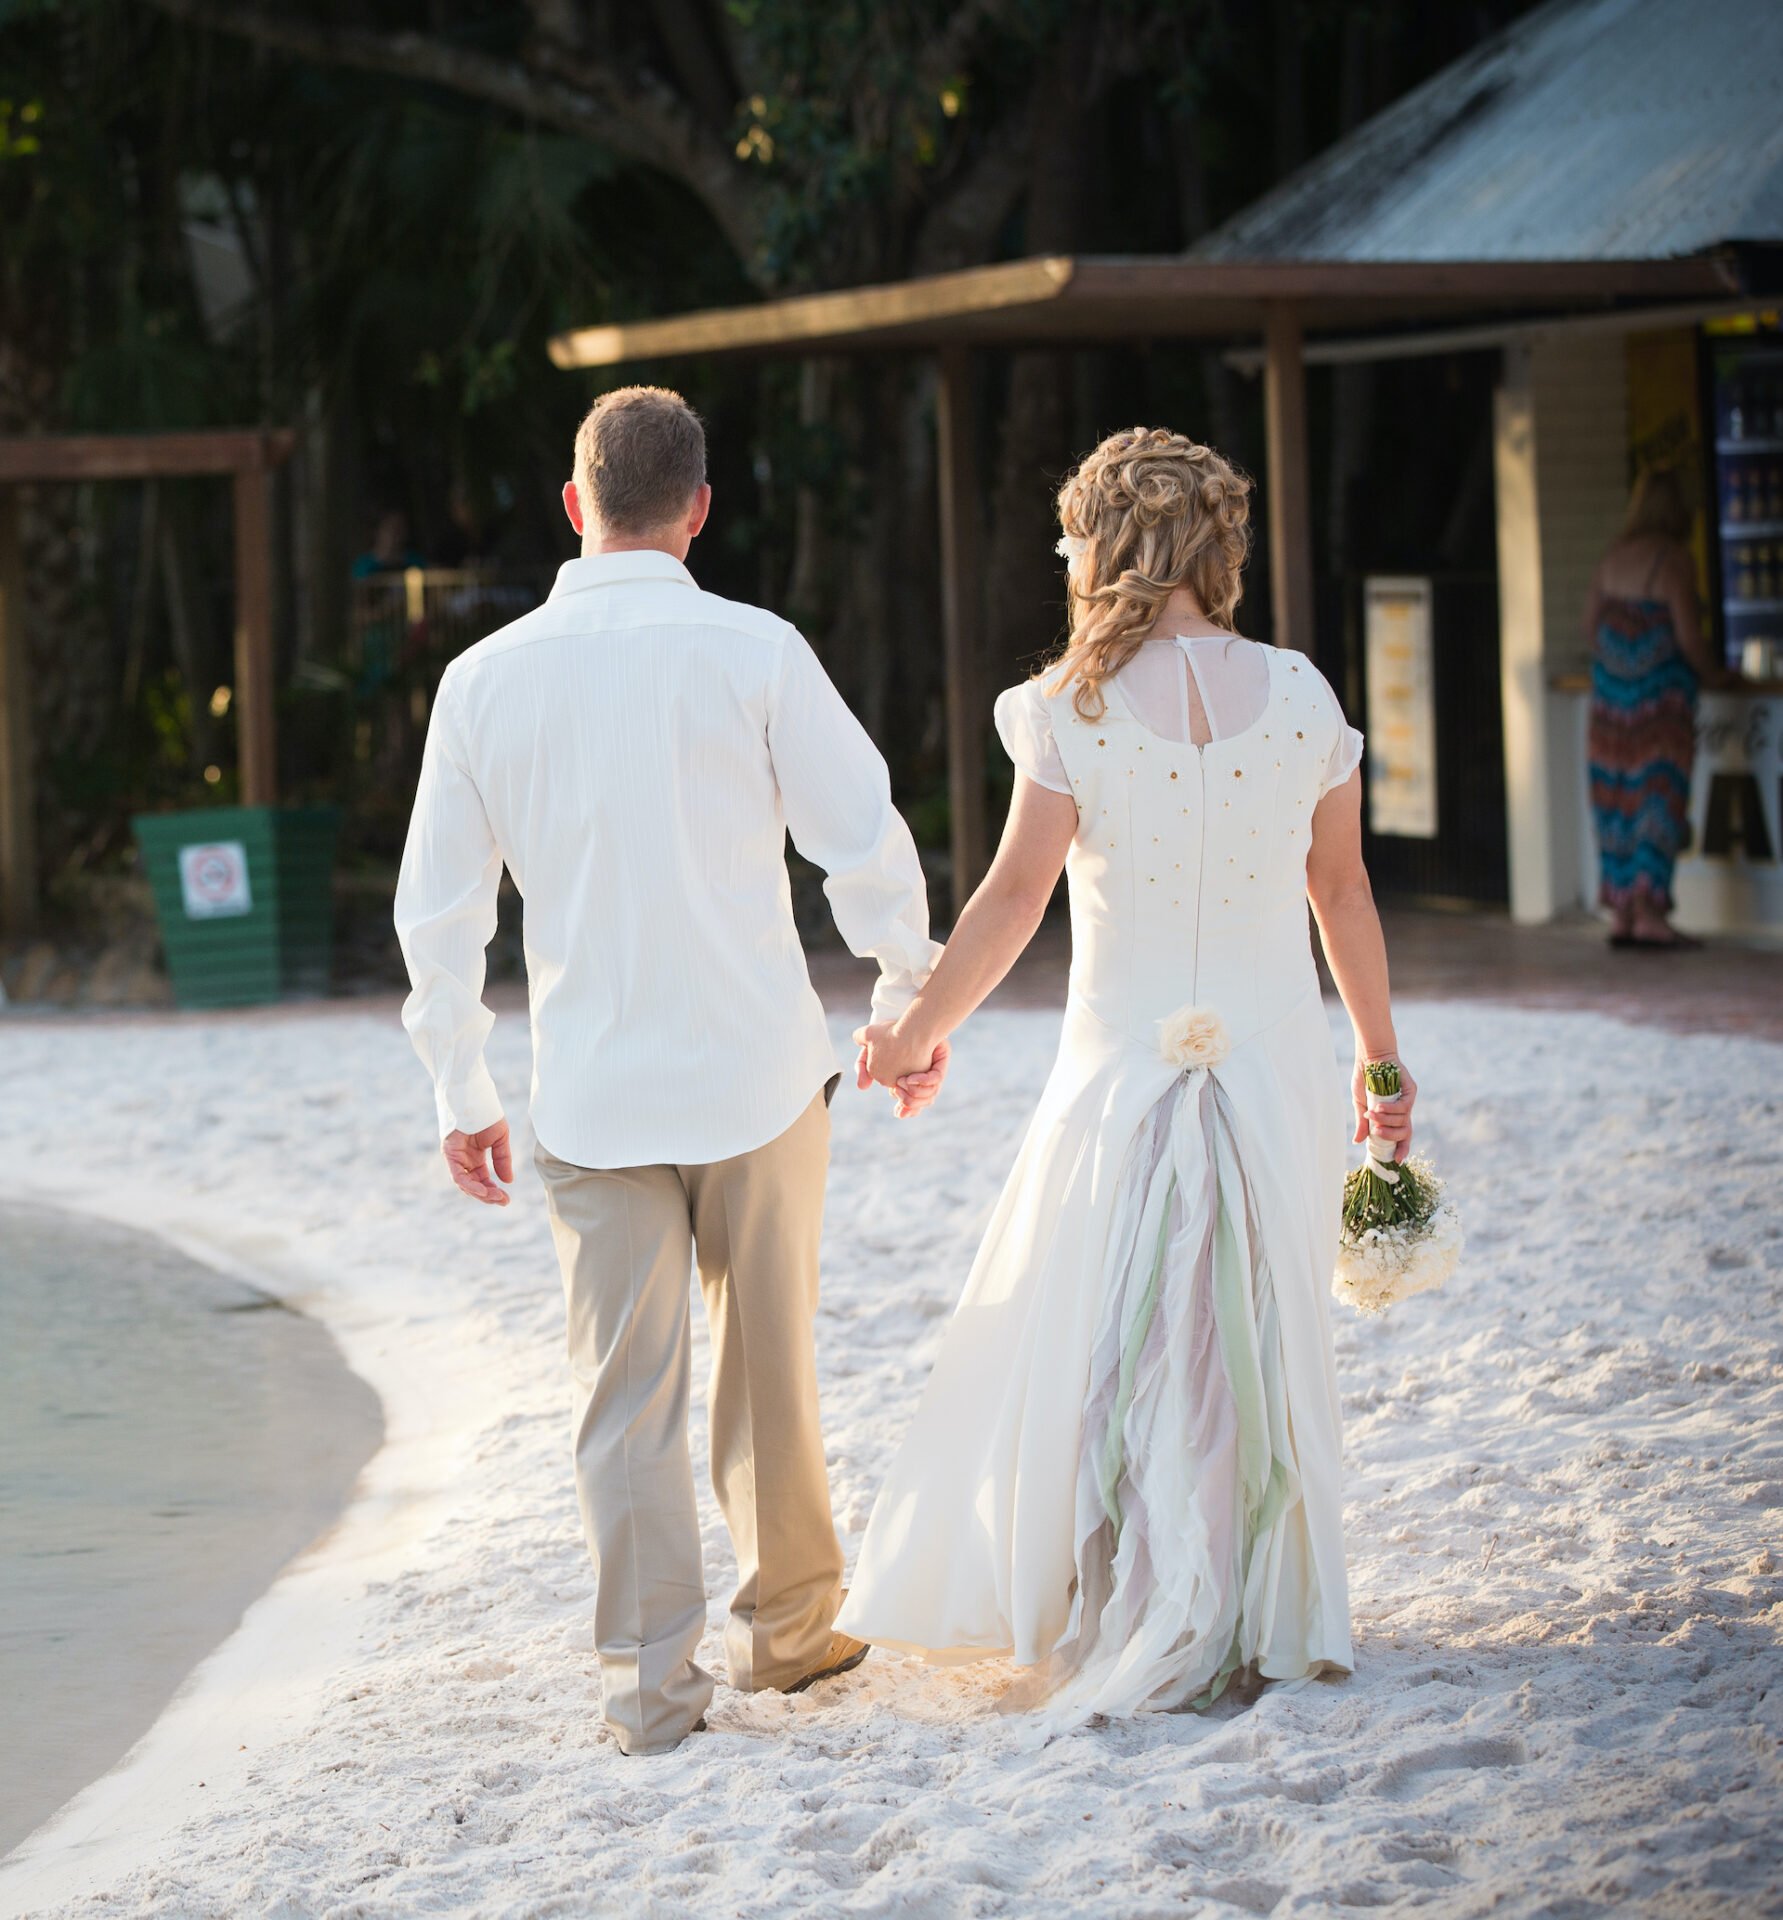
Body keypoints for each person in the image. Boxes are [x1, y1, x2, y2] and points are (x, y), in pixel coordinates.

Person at [393, 386, 945, 1757]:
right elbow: (857, 839)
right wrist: (905, 996)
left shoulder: (481, 680)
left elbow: (438, 913)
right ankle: (791, 1635)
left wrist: (460, 1091)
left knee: (620, 1403)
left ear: (572, 504)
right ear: (698, 508)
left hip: (588, 1095)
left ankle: (649, 1690)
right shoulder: (752, 650)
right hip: (760, 1077)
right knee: (772, 1373)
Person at [842, 426, 1413, 1724]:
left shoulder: (1067, 709)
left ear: (1099, 548)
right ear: (1219, 545)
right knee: (1251, 1336)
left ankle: (1145, 1601)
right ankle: (1249, 1607)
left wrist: (914, 1033)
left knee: (1123, 1346)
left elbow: (1007, 903)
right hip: (1273, 1069)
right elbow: (1342, 893)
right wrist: (1381, 1062)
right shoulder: (1304, 696)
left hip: (1114, 1082)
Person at [1584, 468, 1728, 949]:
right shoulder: (1674, 562)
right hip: (1658, 710)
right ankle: (1650, 912)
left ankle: (1622, 913)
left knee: (1616, 802)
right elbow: (1689, 639)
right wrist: (1717, 675)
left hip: (1609, 710)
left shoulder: (1611, 560)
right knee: (1656, 801)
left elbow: (1590, 631)